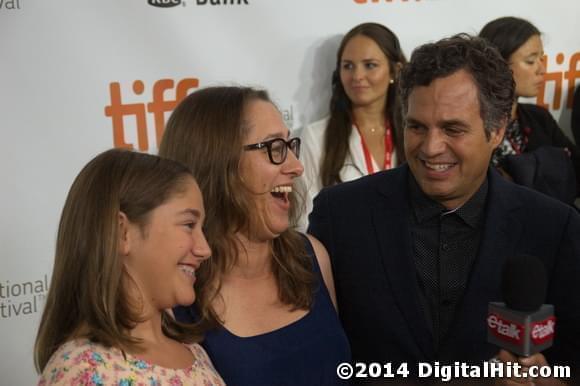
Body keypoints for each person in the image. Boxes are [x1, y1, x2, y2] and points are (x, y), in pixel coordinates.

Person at [308, 34, 580, 382]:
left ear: (496, 131)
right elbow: (315, 350)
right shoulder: (339, 215)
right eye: (417, 127)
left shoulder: (554, 227)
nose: (431, 147)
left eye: (453, 129)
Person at [158, 86, 351, 385]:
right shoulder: (174, 300)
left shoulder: (312, 257)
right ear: (219, 162)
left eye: (289, 146)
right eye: (274, 148)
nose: (296, 167)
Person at [35, 149, 224, 385]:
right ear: (122, 233)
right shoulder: (82, 370)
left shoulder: (196, 354)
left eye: (201, 229)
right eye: (188, 224)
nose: (204, 249)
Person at [300, 22, 407, 228]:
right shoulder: (316, 136)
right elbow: (305, 218)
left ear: (395, 71)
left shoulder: (414, 133)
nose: (357, 76)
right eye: (348, 66)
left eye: (370, 65)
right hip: (339, 256)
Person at [479, 16, 580, 204]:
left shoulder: (539, 117)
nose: (542, 69)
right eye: (531, 61)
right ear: (498, 65)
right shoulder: (473, 125)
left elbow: (576, 170)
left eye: (541, 59)